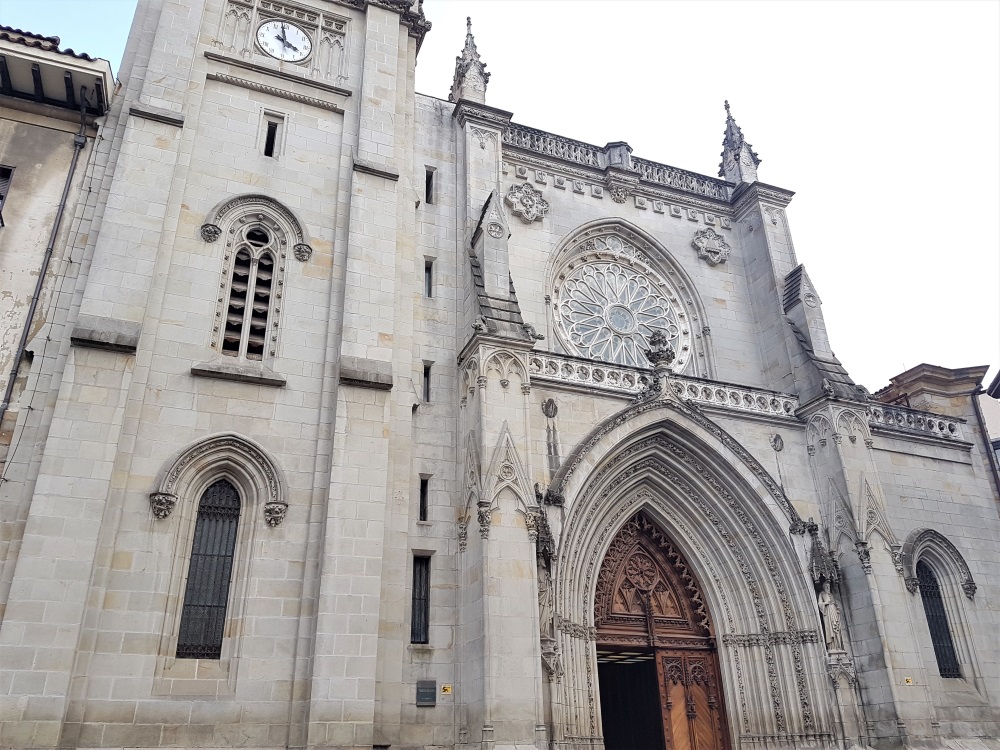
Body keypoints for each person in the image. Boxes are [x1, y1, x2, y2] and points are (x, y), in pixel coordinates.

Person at [818, 579, 845, 652]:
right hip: (828, 612)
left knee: (836, 628)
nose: (828, 588)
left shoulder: (831, 595)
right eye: (826, 586)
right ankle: (832, 646)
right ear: (824, 587)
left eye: (828, 586)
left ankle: (838, 645)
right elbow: (820, 604)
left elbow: (835, 603)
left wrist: (837, 608)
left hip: (833, 611)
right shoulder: (822, 594)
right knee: (830, 627)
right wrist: (826, 603)